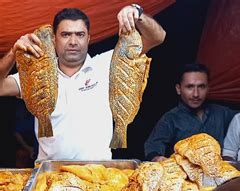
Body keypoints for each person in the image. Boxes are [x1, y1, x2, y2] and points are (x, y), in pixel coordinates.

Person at [0, 5, 166, 161]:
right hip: (50, 174)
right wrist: (13, 53)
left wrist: (136, 12)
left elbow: (157, 37)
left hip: (97, 175)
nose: (73, 41)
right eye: (66, 34)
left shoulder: (107, 64)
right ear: (53, 39)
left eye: (80, 34)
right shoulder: (36, 74)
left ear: (88, 38)